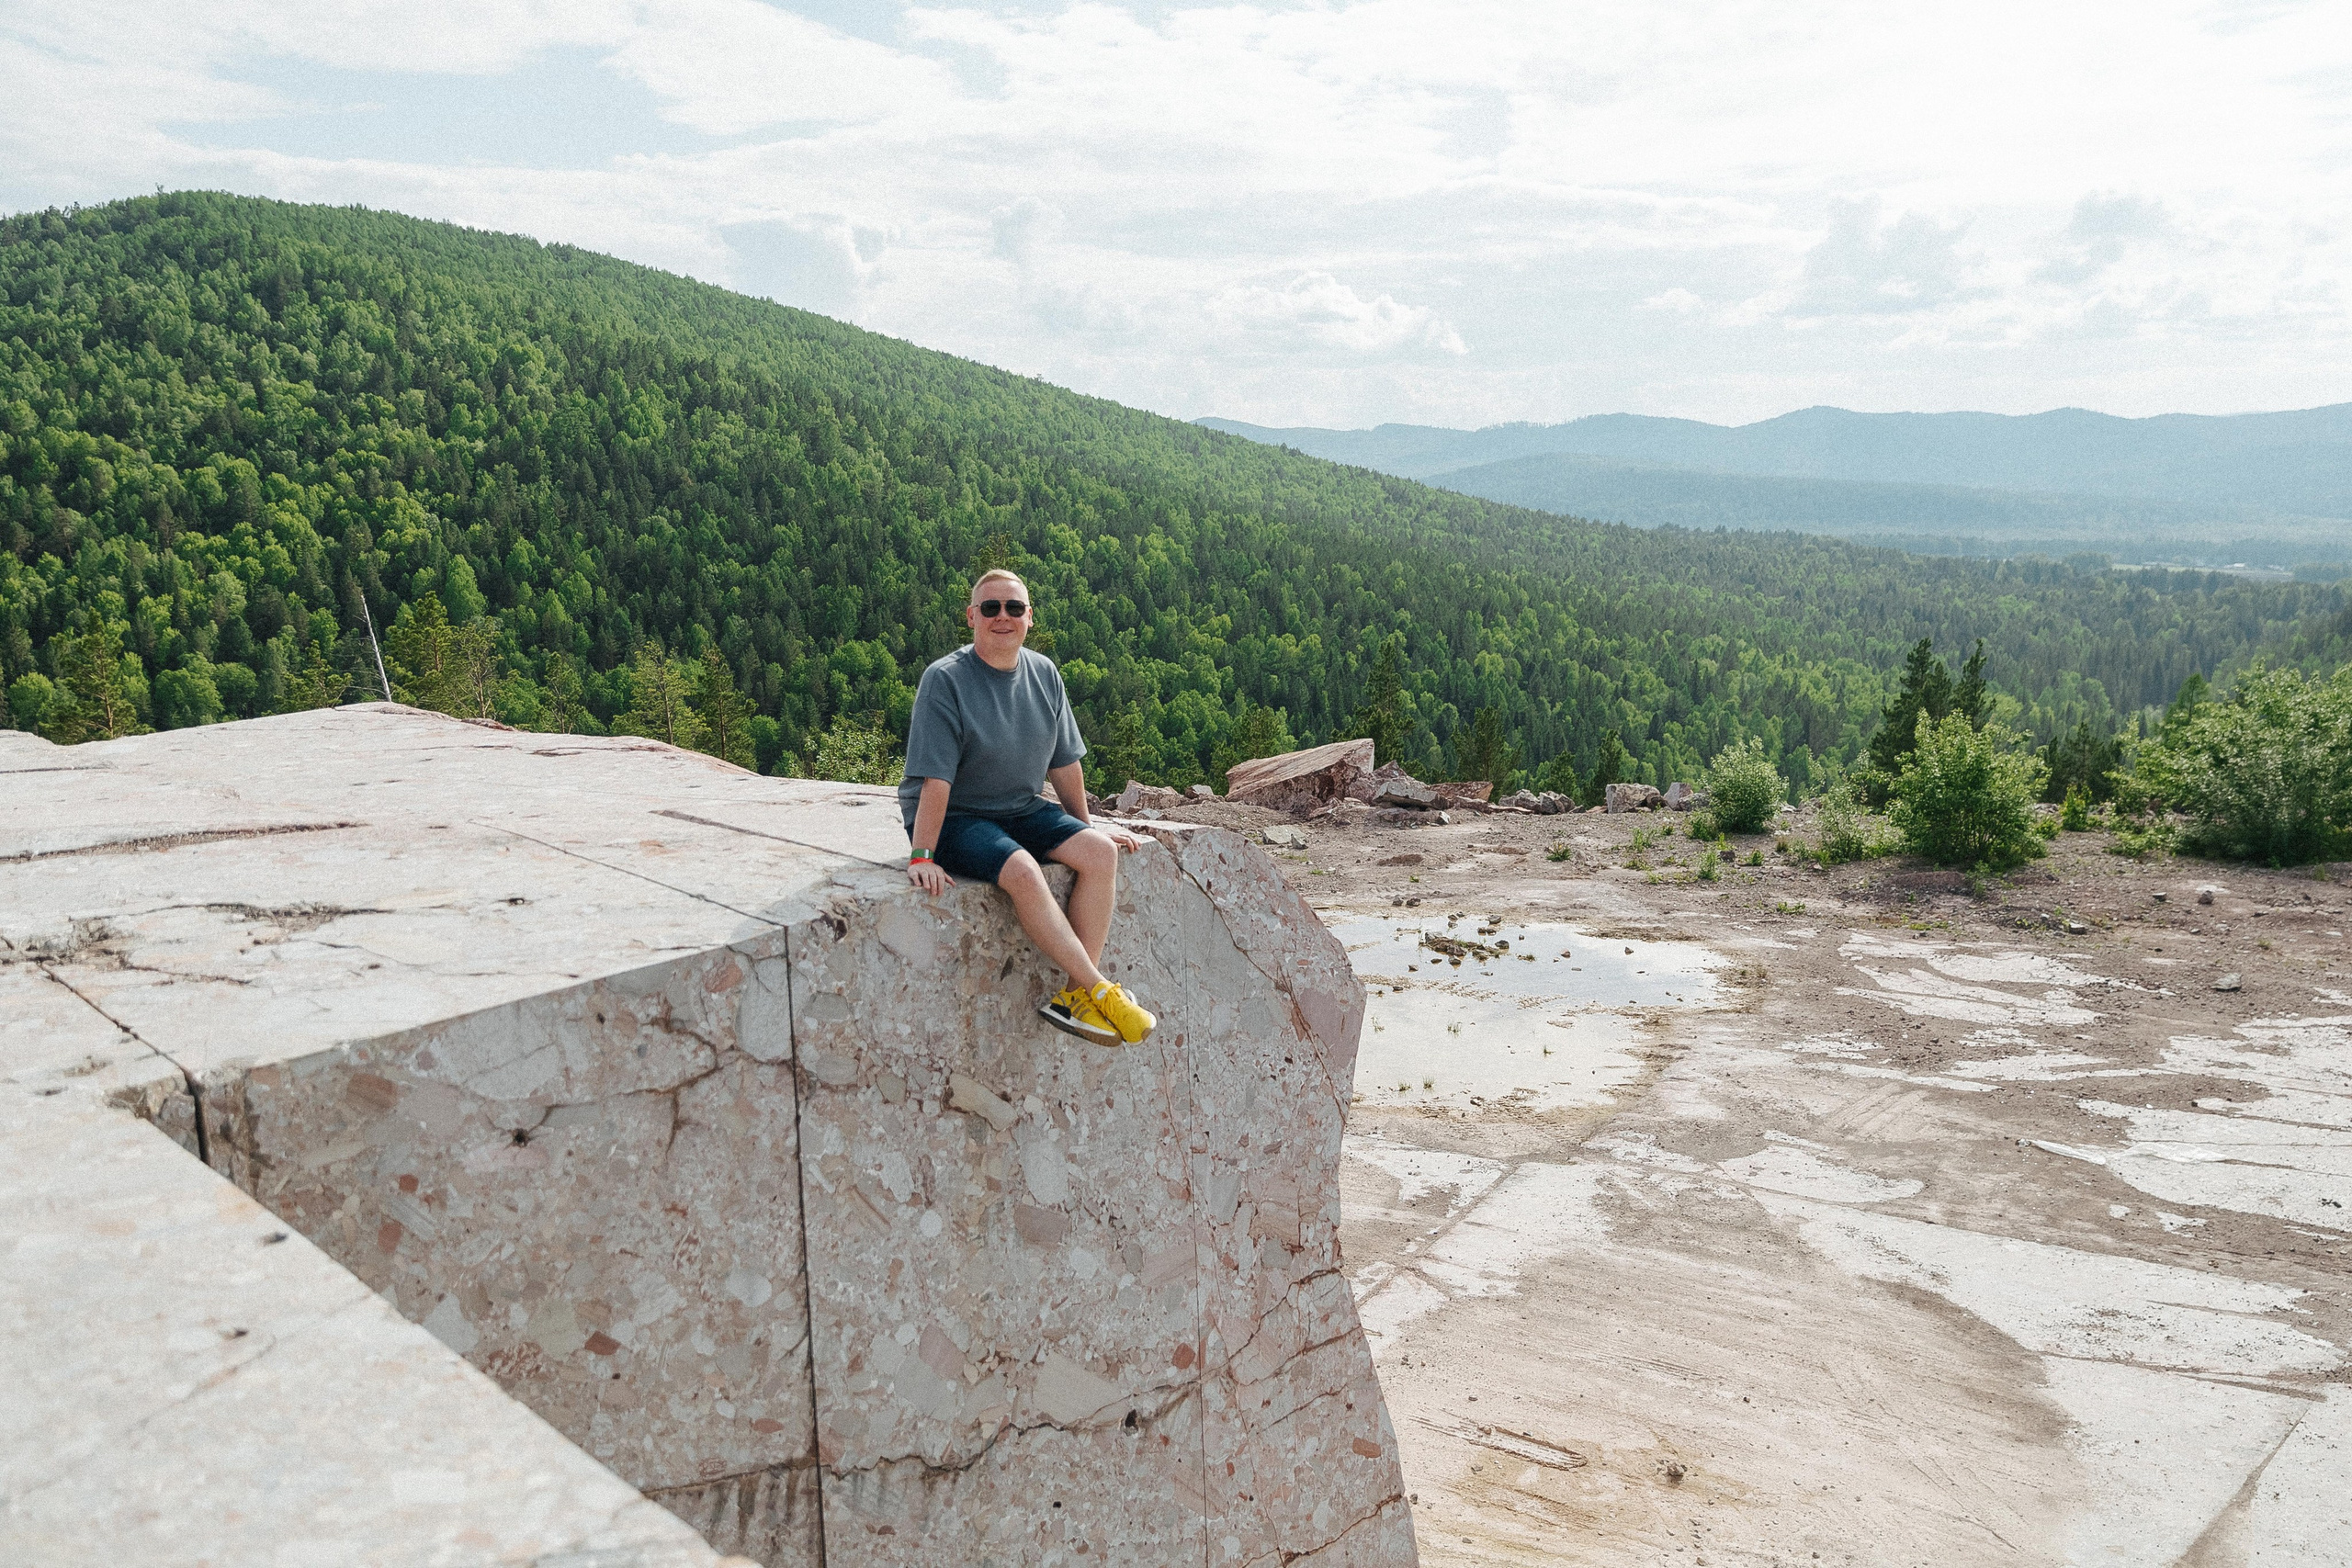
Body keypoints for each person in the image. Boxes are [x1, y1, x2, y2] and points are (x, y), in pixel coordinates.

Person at [899, 569, 1158, 1045]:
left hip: (1019, 806)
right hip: (957, 816)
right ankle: (1100, 989)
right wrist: (922, 855)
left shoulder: (1043, 673)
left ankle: (1075, 998)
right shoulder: (945, 680)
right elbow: (936, 779)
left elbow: (1064, 763)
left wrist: (1087, 828)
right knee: (1021, 870)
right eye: (991, 608)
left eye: (1014, 608)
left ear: (1029, 618)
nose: (1003, 617)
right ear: (972, 616)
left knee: (1101, 854)